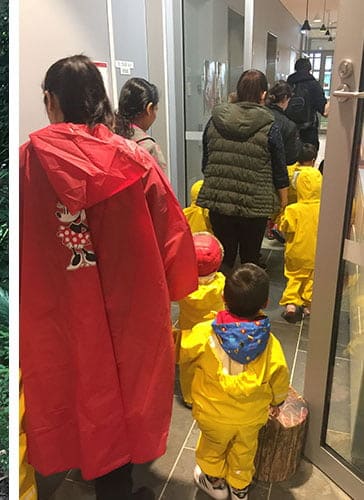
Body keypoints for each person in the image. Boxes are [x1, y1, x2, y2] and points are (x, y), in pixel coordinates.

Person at [20, 54, 197, 499]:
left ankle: (90, 466)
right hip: (129, 302)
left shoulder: (28, 162)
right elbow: (170, 231)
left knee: (72, 377)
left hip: (58, 303)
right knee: (126, 381)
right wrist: (178, 286)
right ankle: (116, 484)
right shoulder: (135, 159)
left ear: (51, 100)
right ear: (100, 100)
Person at [180, 263, 290, 500]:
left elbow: (180, 349)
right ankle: (240, 488)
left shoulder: (202, 332)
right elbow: (279, 377)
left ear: (223, 297)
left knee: (212, 446)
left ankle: (214, 481)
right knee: (245, 449)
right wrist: (277, 402)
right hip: (251, 417)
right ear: (265, 303)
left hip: (211, 413)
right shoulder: (271, 344)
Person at [197, 69, 289, 274]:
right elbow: (279, 170)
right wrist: (283, 201)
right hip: (254, 207)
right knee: (249, 260)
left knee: (223, 259)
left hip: (220, 201)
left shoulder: (215, 121)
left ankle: (221, 301)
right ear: (263, 94)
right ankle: (247, 303)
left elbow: (206, 163)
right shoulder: (269, 125)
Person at [176, 232, 225, 408]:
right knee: (213, 361)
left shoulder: (183, 285)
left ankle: (189, 398)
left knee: (188, 364)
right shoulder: (221, 283)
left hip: (188, 332)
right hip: (214, 331)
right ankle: (212, 391)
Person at [279, 167, 322, 323]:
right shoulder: (324, 208)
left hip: (296, 251)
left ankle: (291, 303)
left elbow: (285, 227)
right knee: (311, 278)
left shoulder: (293, 209)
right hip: (316, 252)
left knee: (294, 277)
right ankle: (308, 304)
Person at [114, 77, 168, 176]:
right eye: (156, 109)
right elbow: (161, 189)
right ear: (149, 109)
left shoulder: (109, 138)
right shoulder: (149, 148)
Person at [286, 57, 329, 151]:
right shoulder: (314, 85)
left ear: (295, 68)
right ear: (310, 69)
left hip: (289, 131)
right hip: (308, 131)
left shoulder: (288, 84)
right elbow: (325, 112)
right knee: (308, 159)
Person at [266, 80, 302, 166]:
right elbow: (290, 158)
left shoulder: (259, 113)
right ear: (285, 98)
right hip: (275, 172)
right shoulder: (288, 125)